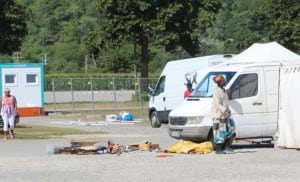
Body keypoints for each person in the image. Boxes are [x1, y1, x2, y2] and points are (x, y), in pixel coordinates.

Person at [210, 75, 235, 154]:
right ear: (219, 82)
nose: (225, 81)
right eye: (223, 80)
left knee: (231, 128)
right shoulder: (216, 91)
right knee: (219, 132)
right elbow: (217, 104)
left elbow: (225, 102)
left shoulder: (224, 90)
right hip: (218, 115)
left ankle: (227, 147)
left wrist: (228, 110)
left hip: (225, 114)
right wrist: (225, 110)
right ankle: (218, 149)